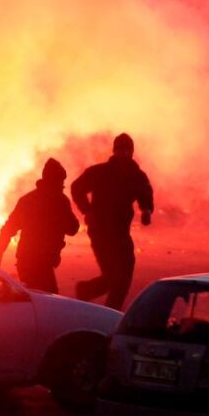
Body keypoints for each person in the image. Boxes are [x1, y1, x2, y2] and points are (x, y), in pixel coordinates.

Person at [71, 133, 153, 310]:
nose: (124, 154)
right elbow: (77, 187)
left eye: (127, 150)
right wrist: (87, 210)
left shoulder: (137, 175)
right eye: (120, 150)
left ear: (132, 152)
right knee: (113, 276)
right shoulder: (100, 172)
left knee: (125, 274)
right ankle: (91, 295)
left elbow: (145, 194)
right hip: (100, 231)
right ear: (114, 151)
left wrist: (147, 210)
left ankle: (108, 310)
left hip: (121, 232)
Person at [0, 158, 79, 294]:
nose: (63, 185)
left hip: (26, 261)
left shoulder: (27, 200)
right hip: (40, 263)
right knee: (48, 302)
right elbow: (73, 228)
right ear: (55, 181)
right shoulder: (60, 201)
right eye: (61, 181)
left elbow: (8, 230)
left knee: (36, 300)